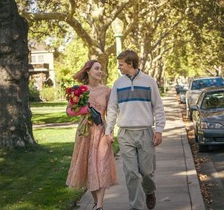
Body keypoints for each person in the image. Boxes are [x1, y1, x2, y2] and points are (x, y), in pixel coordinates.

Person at [105, 50, 166, 210]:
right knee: (131, 173)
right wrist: (108, 130)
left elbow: (158, 107)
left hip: (146, 132)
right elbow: (112, 108)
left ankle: (150, 191)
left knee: (147, 172)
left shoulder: (149, 81)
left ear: (130, 63)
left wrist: (159, 130)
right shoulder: (118, 83)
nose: (119, 68)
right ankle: (135, 206)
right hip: (125, 133)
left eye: (121, 64)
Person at [66, 60, 118, 210]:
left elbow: (112, 114)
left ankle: (100, 206)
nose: (99, 71)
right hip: (85, 132)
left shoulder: (107, 91)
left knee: (101, 166)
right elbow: (68, 111)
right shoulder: (80, 90)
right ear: (88, 71)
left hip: (102, 130)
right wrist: (84, 111)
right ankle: (97, 203)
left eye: (101, 69)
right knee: (90, 168)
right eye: (96, 69)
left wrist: (110, 132)